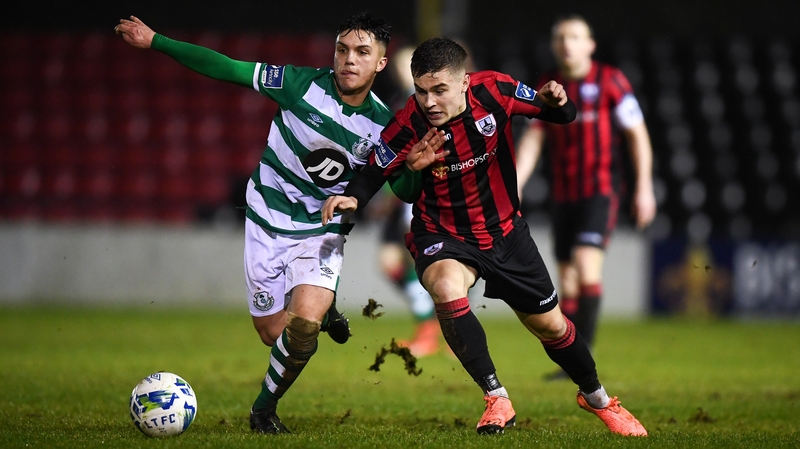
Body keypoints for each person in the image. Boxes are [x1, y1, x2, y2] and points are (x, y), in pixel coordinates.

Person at [322, 37, 647, 436]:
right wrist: (351, 198)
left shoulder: (494, 90)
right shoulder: (408, 122)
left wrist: (558, 101)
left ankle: (597, 398)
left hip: (506, 232)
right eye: (422, 91)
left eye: (440, 90)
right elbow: (373, 173)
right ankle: (496, 398)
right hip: (442, 233)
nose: (429, 102)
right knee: (445, 285)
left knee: (553, 327)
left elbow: (563, 116)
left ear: (464, 82)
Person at [115, 13, 410, 434]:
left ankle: (263, 410)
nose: (349, 60)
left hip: (322, 230)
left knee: (302, 326)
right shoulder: (299, 84)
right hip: (267, 217)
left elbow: (406, 185)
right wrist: (157, 41)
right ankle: (326, 314)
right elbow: (228, 68)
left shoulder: (383, 127)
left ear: (381, 62)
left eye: (363, 52)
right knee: (274, 334)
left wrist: (416, 167)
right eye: (342, 50)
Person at [515, 15, 656, 380]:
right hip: (563, 195)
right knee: (568, 280)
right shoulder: (549, 85)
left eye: (575, 37)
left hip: (600, 191)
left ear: (590, 45)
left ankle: (585, 357)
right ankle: (574, 359)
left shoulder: (611, 81)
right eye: (561, 36)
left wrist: (644, 187)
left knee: (584, 261)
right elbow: (534, 139)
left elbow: (637, 134)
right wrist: (515, 182)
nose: (567, 43)